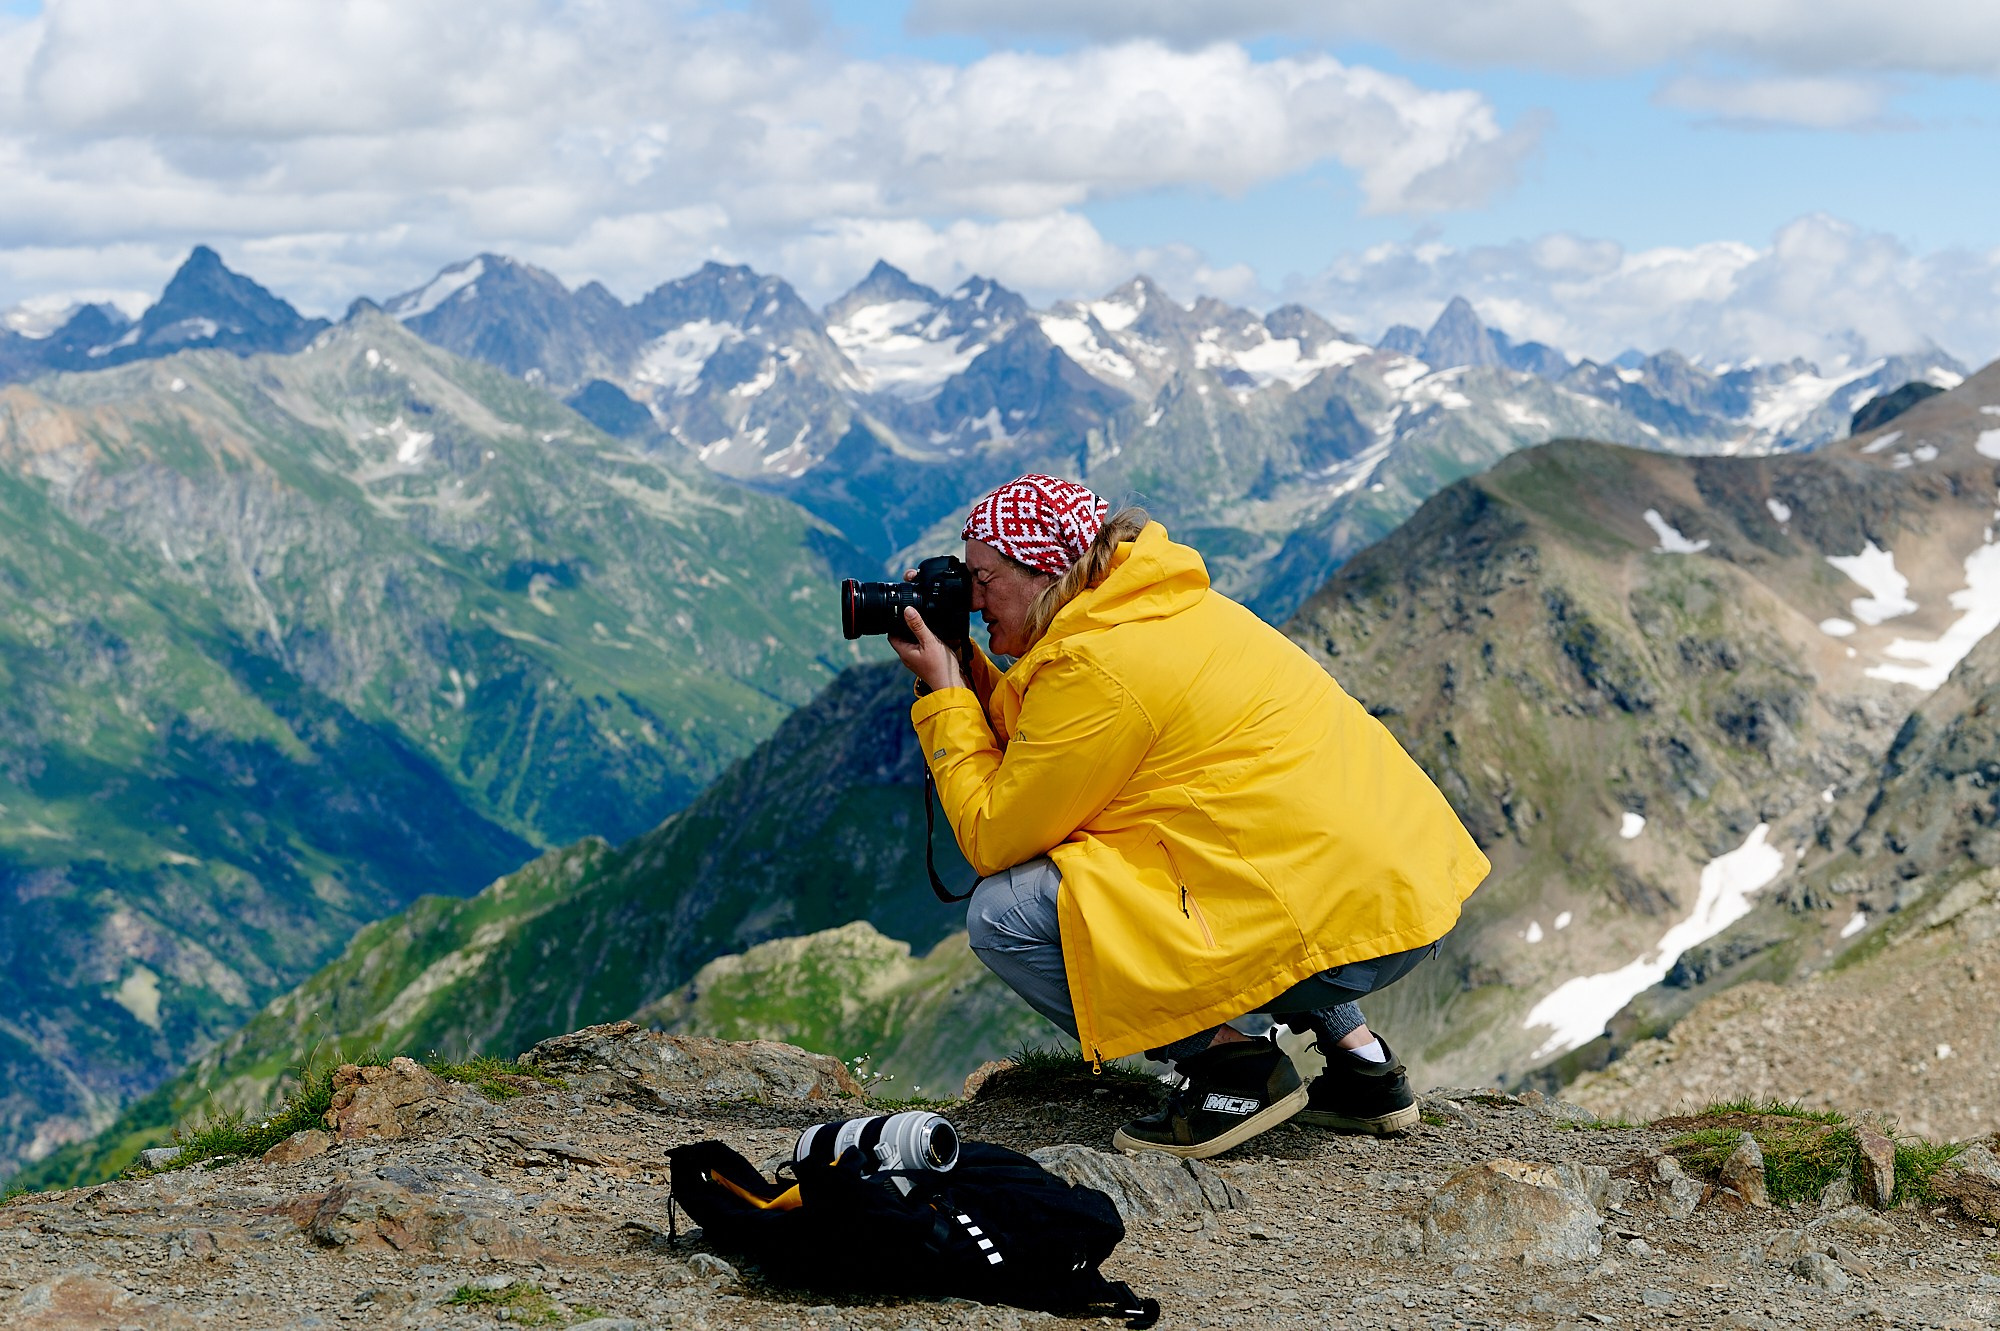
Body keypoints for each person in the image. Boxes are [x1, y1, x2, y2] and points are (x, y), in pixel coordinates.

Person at [891, 473, 1489, 1159]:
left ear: (1044, 570)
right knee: (1221, 864)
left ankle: (1230, 1069)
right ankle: (1360, 1064)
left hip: (1345, 913)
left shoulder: (1098, 663)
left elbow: (996, 834)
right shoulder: (1147, 607)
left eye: (983, 578)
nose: (971, 598)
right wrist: (964, 663)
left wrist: (945, 693)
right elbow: (1051, 747)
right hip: (1391, 895)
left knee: (1003, 914)